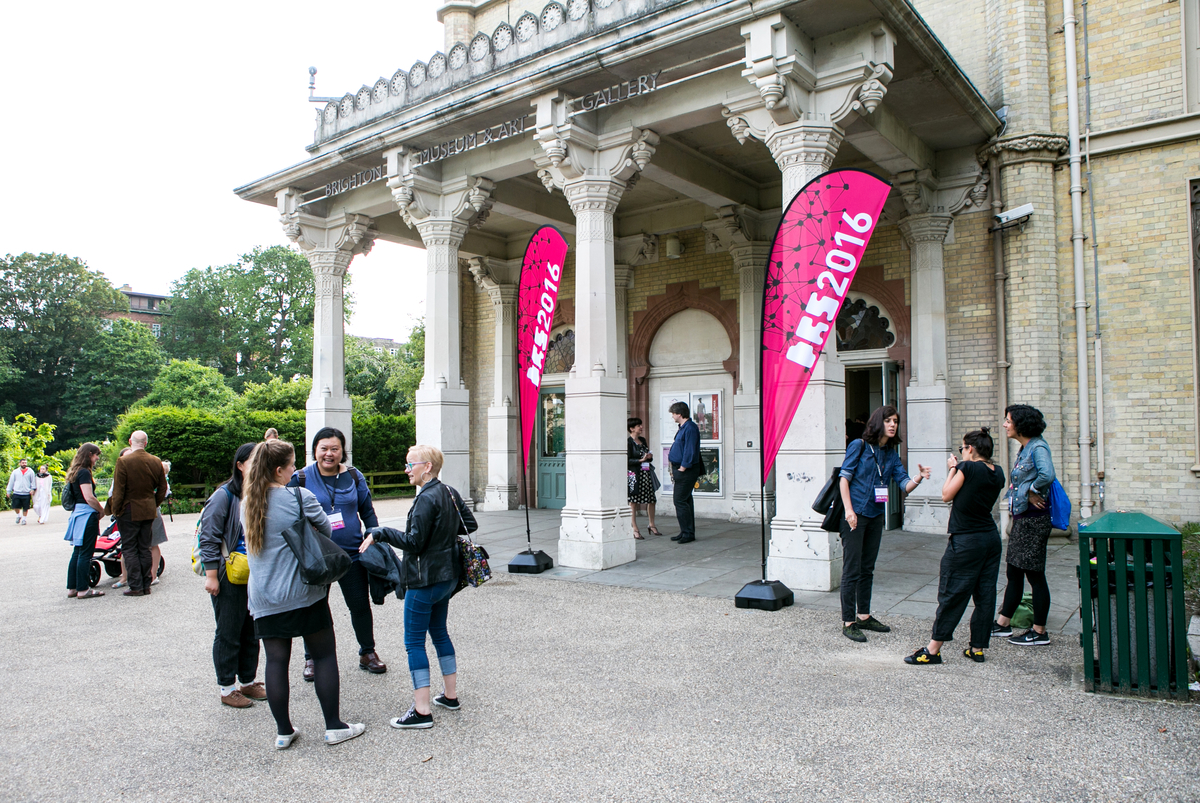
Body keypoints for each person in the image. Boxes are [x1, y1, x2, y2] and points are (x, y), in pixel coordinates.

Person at [242, 439, 365, 749]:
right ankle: (334, 725)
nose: (296, 469)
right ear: (280, 470)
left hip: (264, 595)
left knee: (275, 662)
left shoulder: (248, 502)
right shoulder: (299, 497)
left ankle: (284, 731)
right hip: (303, 591)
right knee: (323, 655)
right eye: (293, 465)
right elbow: (325, 531)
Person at [360, 444, 477, 730]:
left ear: (427, 466)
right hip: (447, 577)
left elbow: (413, 543)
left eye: (410, 464)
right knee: (438, 632)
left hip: (424, 580)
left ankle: (422, 711)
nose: (406, 469)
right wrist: (442, 535)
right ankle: (450, 696)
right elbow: (469, 524)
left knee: (414, 642)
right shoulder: (449, 491)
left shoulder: (426, 498)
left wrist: (381, 533)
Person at [288, 427, 386, 680]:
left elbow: (367, 510)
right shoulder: (300, 478)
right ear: (314, 451)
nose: (329, 454)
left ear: (343, 451)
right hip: (317, 557)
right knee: (314, 607)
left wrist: (372, 534)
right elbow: (287, 514)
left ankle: (368, 653)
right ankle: (311, 658)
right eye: (324, 448)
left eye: (335, 448)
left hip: (352, 554)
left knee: (359, 606)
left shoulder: (354, 475)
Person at [905, 428, 1006, 665]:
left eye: (963, 448)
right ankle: (977, 647)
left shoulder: (967, 467)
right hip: (990, 538)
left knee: (952, 592)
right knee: (985, 593)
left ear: (970, 449)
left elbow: (946, 495)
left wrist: (953, 467)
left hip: (966, 539)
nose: (961, 452)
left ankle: (932, 650)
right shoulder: (998, 472)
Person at [838, 405, 931, 642]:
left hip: (876, 515)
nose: (892, 425)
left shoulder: (891, 453)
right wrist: (849, 510)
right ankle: (848, 621)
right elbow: (844, 479)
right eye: (889, 420)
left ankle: (864, 616)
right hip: (855, 515)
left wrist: (919, 477)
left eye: (896, 421)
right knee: (852, 568)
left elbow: (904, 484)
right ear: (879, 422)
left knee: (867, 568)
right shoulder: (858, 446)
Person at [200, 442, 265, 708]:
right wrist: (211, 575)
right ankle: (227, 687)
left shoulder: (260, 492)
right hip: (228, 571)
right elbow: (209, 536)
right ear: (240, 465)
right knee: (228, 630)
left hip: (255, 572)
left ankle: (248, 682)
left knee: (252, 630)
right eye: (253, 460)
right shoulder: (224, 495)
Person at [993, 404, 1056, 647]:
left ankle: (1039, 631)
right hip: (1024, 518)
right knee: (1014, 572)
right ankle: (1002, 624)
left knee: (1034, 575)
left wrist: (1031, 490)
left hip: (1033, 520)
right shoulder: (1027, 447)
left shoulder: (1038, 447)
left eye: (1008, 420)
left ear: (1020, 424)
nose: (1005, 424)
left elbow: (1047, 474)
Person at [106, 431, 167, 597]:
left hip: (128, 509)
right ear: (146, 443)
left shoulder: (124, 461)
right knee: (144, 547)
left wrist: (116, 509)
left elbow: (118, 490)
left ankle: (136, 585)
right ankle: (147, 584)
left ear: (130, 441)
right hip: (148, 508)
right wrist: (154, 503)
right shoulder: (156, 461)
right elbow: (162, 488)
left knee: (130, 548)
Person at [63, 444, 106, 599]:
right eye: (96, 455)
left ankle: (72, 587)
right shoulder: (84, 473)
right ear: (89, 454)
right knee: (86, 553)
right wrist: (101, 510)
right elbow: (88, 497)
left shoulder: (75, 471)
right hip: (87, 515)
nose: (97, 458)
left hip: (77, 514)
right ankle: (83, 589)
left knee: (77, 552)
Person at [667, 402, 704, 544]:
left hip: (686, 470)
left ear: (679, 414)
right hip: (681, 469)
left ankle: (687, 533)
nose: (672, 417)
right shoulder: (684, 427)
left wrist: (683, 467)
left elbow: (690, 449)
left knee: (680, 500)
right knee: (686, 500)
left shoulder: (690, 428)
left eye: (673, 414)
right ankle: (685, 531)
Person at [627, 418, 661, 539]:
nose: (641, 427)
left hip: (646, 474)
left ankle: (652, 524)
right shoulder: (628, 442)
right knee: (633, 501)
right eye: (638, 426)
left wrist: (649, 457)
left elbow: (647, 457)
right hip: (634, 474)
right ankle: (634, 527)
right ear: (632, 428)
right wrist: (640, 460)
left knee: (651, 499)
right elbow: (627, 460)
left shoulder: (642, 440)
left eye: (641, 425)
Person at [7, 458, 36, 525]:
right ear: (20, 463)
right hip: (17, 492)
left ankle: (24, 519)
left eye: (25, 463)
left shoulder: (30, 471)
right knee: (15, 506)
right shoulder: (15, 472)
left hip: (26, 492)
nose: (24, 464)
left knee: (25, 507)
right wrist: (9, 491)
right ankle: (18, 516)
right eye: (23, 463)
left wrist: (33, 489)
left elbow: (33, 481)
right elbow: (11, 481)